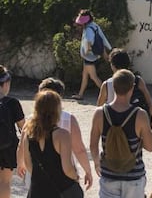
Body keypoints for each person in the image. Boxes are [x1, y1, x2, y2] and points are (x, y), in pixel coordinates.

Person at [16, 78, 93, 190]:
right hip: (62, 176)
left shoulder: (30, 121)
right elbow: (79, 149)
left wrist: (20, 163)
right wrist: (87, 170)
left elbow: (22, 146)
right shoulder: (68, 119)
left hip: (37, 177)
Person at [90, 69, 152, 198]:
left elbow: (93, 145)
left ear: (113, 87)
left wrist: (97, 163)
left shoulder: (99, 113)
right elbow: (150, 146)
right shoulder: (140, 114)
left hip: (109, 174)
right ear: (132, 88)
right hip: (134, 176)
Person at [23, 90, 82, 198]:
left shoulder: (28, 133)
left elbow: (28, 163)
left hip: (37, 189)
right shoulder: (62, 135)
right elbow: (67, 168)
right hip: (61, 189)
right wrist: (76, 177)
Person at [96, 48, 152, 126]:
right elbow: (149, 103)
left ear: (113, 65)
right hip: (134, 124)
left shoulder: (107, 84)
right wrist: (149, 123)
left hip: (114, 126)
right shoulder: (138, 81)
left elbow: (99, 108)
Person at [72, 9, 112, 101]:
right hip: (92, 56)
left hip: (89, 57)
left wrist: (86, 51)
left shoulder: (88, 29)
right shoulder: (95, 26)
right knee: (85, 75)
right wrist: (106, 50)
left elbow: (90, 41)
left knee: (94, 77)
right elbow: (102, 37)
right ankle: (80, 94)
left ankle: (108, 95)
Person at [0, 65, 25, 198]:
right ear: (5, 84)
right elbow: (24, 128)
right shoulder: (12, 103)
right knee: (4, 182)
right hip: (7, 147)